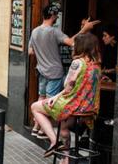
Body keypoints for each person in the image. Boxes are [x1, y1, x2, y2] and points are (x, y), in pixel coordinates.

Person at [28, 4, 99, 138]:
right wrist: (84, 29)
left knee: (41, 97)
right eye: (57, 15)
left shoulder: (35, 31)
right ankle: (44, 131)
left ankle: (36, 127)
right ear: (53, 15)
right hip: (54, 71)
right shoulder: (54, 31)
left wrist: (42, 52)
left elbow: (31, 51)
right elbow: (72, 42)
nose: (57, 17)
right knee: (49, 101)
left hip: (41, 70)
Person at [31, 33, 101, 163]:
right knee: (64, 127)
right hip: (88, 108)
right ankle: (66, 159)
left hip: (71, 106)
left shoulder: (77, 63)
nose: (72, 48)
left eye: (75, 45)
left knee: (35, 107)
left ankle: (53, 141)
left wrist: (56, 96)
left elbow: (67, 85)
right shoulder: (97, 65)